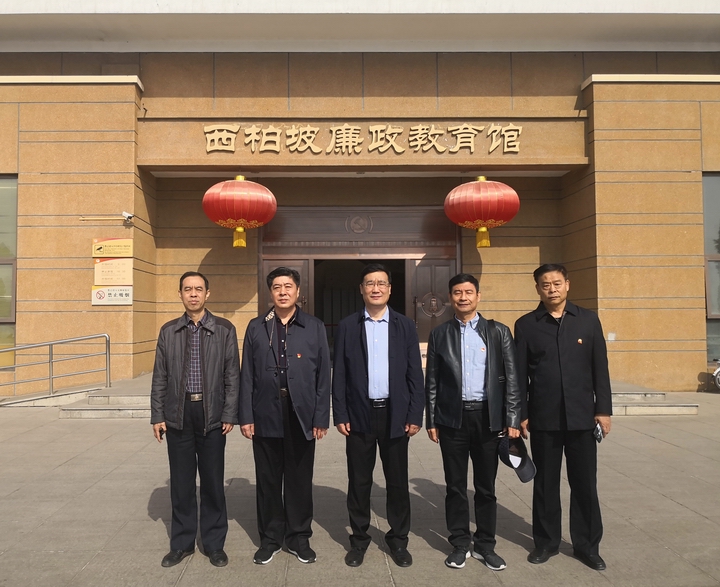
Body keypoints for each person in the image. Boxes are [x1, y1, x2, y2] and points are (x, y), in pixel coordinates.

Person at [514, 263, 612, 571]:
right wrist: (521, 414)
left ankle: (587, 546)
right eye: (545, 284)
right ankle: (546, 542)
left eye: (557, 283)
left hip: (582, 418)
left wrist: (603, 410)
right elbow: (519, 375)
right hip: (544, 418)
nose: (552, 289)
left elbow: (600, 368)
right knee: (545, 484)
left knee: (585, 484)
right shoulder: (526, 325)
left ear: (567, 284)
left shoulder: (588, 320)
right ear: (538, 289)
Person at [425, 273, 522, 571]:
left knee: (485, 487)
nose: (463, 297)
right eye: (457, 292)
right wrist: (432, 419)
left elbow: (513, 378)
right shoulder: (440, 334)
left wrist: (512, 418)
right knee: (455, 486)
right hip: (452, 419)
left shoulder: (498, 332)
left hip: (488, 419)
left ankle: (485, 545)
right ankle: (459, 543)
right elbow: (432, 380)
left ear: (478, 296)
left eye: (468, 292)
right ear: (450, 298)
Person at [332, 263, 425, 568]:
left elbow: (415, 375)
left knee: (397, 482)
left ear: (389, 289)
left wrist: (415, 414)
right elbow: (340, 373)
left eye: (381, 283)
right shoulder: (348, 325)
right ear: (361, 289)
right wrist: (340, 412)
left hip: (395, 415)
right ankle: (359, 540)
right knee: (359, 481)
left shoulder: (404, 325)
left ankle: (398, 539)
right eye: (370, 283)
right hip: (358, 415)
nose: (375, 288)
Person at [239, 267, 331, 565]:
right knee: (268, 480)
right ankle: (270, 538)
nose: (282, 292)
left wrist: (321, 417)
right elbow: (247, 374)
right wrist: (246, 415)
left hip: (300, 413)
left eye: (288, 286)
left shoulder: (314, 326)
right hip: (265, 412)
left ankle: (299, 537)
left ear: (298, 291)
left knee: (299, 480)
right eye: (277, 287)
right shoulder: (256, 326)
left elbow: (323, 376)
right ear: (270, 292)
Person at [150, 271, 240, 568]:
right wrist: (157, 414)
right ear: (180, 294)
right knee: (182, 483)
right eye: (187, 289)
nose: (193, 294)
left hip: (211, 414)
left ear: (207, 294)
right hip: (178, 414)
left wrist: (229, 413)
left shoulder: (224, 329)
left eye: (198, 289)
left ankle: (214, 544)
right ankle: (182, 543)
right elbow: (160, 376)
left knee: (213, 481)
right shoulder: (169, 331)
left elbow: (232, 375)